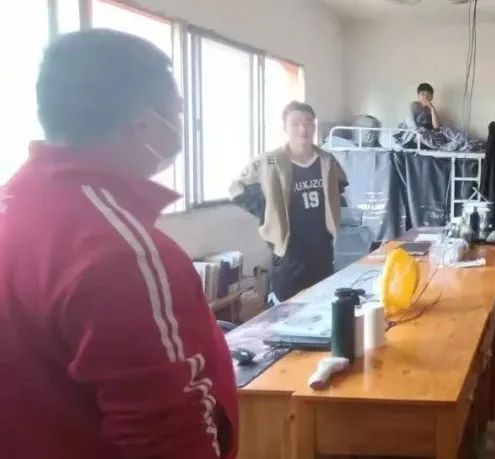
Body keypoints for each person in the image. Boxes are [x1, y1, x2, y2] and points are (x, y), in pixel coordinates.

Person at [0, 30, 237, 459]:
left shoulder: (17, 206)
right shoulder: (120, 252)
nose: (181, 126)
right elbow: (168, 438)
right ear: (143, 123)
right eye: (177, 112)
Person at [230, 102, 348, 302]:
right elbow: (237, 189)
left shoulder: (327, 160)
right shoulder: (270, 161)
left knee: (321, 302)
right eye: (295, 124)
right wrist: (268, 212)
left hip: (321, 247)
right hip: (288, 250)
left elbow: (340, 186)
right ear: (285, 127)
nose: (303, 129)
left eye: (308, 123)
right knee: (287, 307)